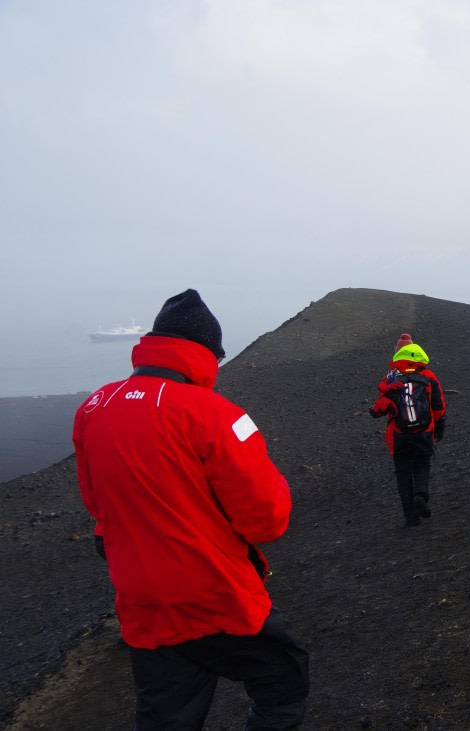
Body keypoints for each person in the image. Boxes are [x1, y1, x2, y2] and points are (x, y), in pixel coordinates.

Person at [72, 289, 309, 730]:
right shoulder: (215, 414)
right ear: (205, 353)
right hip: (213, 596)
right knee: (284, 678)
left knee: (166, 717)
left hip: (143, 601)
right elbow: (265, 519)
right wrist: (278, 483)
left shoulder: (94, 406)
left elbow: (96, 504)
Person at [370, 333, 447, 526]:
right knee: (422, 465)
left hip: (398, 435)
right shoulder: (428, 376)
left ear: (397, 354)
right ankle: (421, 494)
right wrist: (439, 428)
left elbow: (379, 408)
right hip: (424, 432)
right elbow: (439, 407)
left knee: (403, 473)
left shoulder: (390, 379)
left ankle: (411, 517)